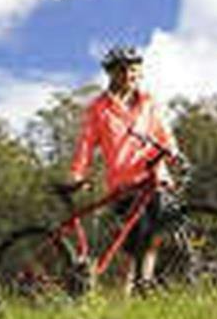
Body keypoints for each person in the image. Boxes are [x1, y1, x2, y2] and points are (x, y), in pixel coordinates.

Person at [64, 44, 179, 289]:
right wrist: (77, 174)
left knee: (155, 237)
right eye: (123, 70)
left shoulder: (149, 101)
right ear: (111, 73)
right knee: (130, 242)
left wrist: (173, 154)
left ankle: (144, 285)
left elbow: (163, 133)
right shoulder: (99, 109)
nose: (129, 76)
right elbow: (86, 145)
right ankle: (120, 297)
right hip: (125, 183)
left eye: (134, 71)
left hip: (155, 176)